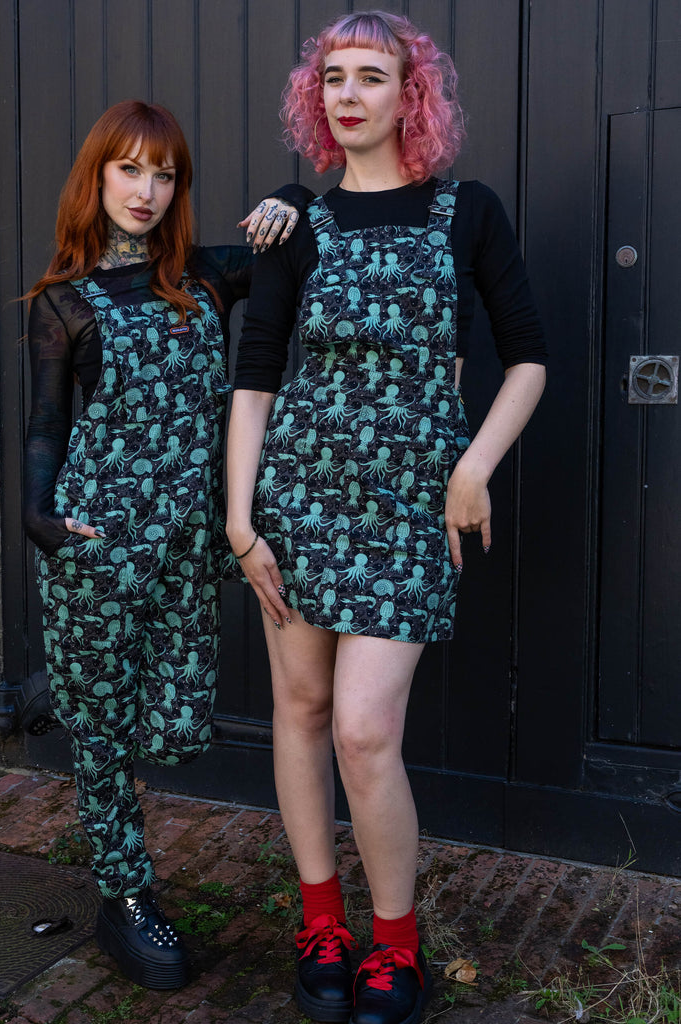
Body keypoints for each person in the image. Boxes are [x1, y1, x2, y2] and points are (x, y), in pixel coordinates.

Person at [225, 12, 546, 1024]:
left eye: (373, 75)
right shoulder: (298, 226)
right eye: (332, 77)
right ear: (312, 98)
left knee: (365, 732)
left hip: (409, 508)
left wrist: (474, 466)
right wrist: (241, 519)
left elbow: (529, 354)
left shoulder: (467, 214)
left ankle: (394, 943)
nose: (350, 93)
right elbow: (256, 376)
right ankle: (322, 919)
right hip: (300, 501)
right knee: (303, 712)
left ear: (414, 94)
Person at [22, 99, 305, 990]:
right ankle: (124, 889)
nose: (146, 190)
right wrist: (38, 516)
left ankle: (57, 686)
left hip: (186, 546)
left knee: (176, 726)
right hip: (96, 540)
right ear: (96, 177)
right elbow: (44, 426)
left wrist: (292, 193)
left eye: (164, 173)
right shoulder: (63, 303)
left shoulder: (205, 278)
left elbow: (296, 252)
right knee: (106, 737)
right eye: (129, 169)